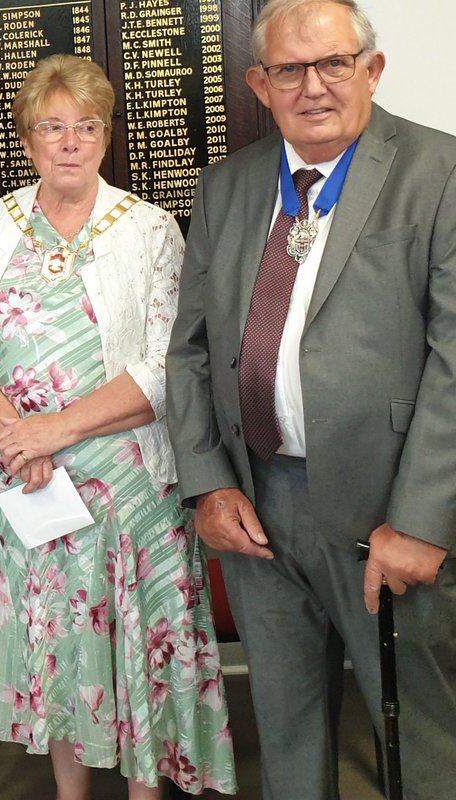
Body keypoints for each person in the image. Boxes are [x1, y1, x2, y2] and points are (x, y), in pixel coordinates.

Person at [165, 1, 456, 797]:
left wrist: (423, 521)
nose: (313, 87)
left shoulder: (441, 171)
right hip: (259, 506)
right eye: (289, 69)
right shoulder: (227, 186)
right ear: (260, 83)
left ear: (373, 68)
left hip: (388, 514)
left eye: (333, 63)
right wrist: (209, 484)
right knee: (287, 731)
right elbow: (189, 349)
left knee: (424, 736)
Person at [0, 54, 237, 799]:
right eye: (51, 127)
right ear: (28, 138)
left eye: (86, 126)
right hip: (16, 480)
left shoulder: (150, 227)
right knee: (57, 645)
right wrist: (15, 434)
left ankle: (144, 788)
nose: (69, 142)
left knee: (131, 639)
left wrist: (54, 432)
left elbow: (166, 366)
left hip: (123, 486)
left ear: (106, 135)